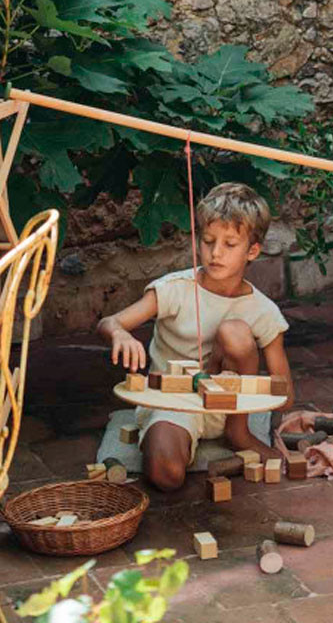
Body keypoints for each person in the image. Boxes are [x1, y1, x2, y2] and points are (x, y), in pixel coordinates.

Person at [97, 182, 294, 491]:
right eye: (208, 240)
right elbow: (110, 322)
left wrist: (246, 381)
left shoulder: (263, 311)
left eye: (230, 244)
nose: (215, 253)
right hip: (173, 402)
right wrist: (119, 334)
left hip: (229, 408)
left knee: (234, 332)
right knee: (165, 475)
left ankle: (238, 433)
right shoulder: (174, 289)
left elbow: (285, 396)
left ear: (252, 251)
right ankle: (177, 440)